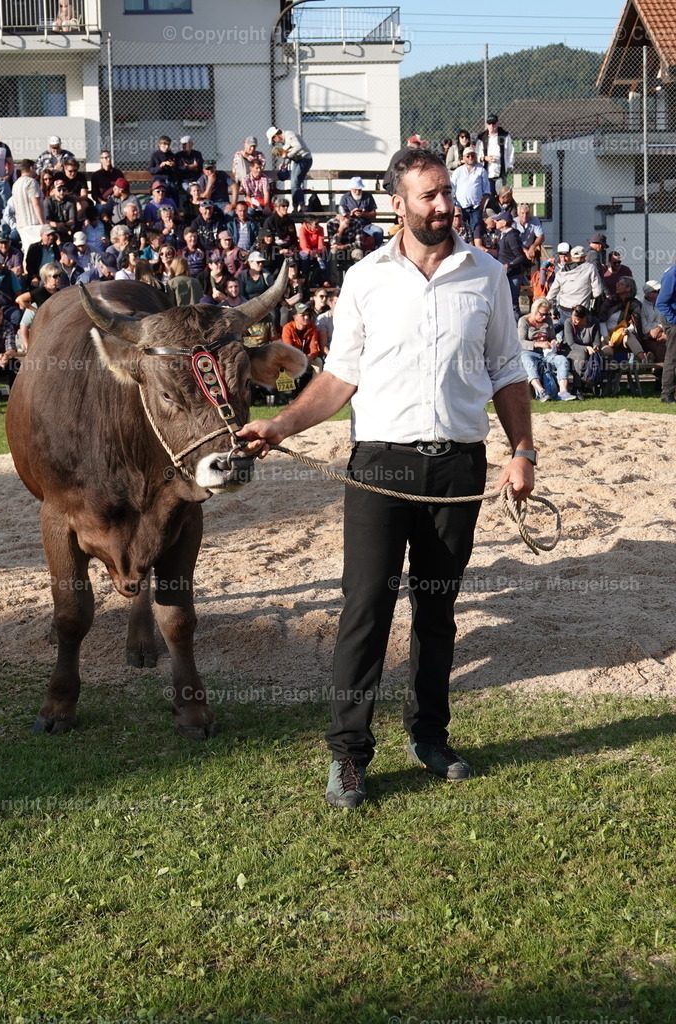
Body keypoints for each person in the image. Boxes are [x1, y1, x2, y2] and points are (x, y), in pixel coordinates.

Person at [237, 148, 533, 808]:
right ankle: (348, 755)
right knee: (366, 606)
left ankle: (429, 736)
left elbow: (509, 371)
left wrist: (523, 451)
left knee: (437, 610)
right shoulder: (365, 278)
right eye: (428, 195)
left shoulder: (486, 274)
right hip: (380, 464)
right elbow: (340, 380)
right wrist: (278, 428)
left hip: (458, 464)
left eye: (446, 193)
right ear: (396, 204)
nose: (442, 205)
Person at [518, 298, 576, 402]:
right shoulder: (524, 321)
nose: (544, 317)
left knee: (562, 360)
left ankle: (563, 391)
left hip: (546, 352)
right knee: (529, 363)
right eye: (542, 314)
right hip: (529, 352)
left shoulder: (548, 320)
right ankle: (541, 392)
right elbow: (521, 342)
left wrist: (554, 342)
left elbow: (551, 337)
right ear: (535, 311)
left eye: (546, 314)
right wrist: (538, 344)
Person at [546, 245, 604, 334]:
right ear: (585, 257)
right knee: (585, 328)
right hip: (581, 308)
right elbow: (598, 292)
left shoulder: (561, 271)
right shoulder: (590, 267)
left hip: (564, 308)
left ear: (572, 257)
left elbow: (552, 293)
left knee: (563, 325)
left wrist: (550, 306)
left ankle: (546, 334)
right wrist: (589, 294)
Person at [266, 126, 312, 212]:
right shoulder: (284, 142)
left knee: (295, 183)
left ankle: (302, 206)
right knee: (294, 184)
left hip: (304, 159)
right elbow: (288, 154)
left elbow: (298, 146)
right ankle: (295, 207)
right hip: (297, 161)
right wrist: (284, 164)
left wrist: (288, 155)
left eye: (273, 140)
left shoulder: (289, 135)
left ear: (276, 136)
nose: (275, 141)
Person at [495, 211, 529, 319]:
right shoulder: (502, 235)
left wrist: (508, 265)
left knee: (513, 304)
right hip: (504, 274)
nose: (495, 222)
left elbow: (520, 256)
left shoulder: (512, 237)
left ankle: (517, 330)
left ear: (504, 223)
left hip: (512, 275)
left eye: (498, 220)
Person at [450, 147, 490, 234]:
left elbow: (486, 191)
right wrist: (455, 206)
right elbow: (452, 190)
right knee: (461, 232)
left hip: (476, 208)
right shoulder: (458, 171)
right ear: (463, 157)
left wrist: (481, 206)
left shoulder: (481, 171)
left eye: (472, 155)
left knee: (475, 233)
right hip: (461, 208)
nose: (470, 157)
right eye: (468, 156)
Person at [475, 114, 514, 200]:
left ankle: (501, 213)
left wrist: (508, 166)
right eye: (489, 124)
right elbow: (477, 154)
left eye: (494, 123)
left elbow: (510, 152)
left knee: (502, 196)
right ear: (487, 125)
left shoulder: (504, 136)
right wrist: (485, 158)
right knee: (488, 197)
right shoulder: (481, 138)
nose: (492, 126)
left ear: (498, 124)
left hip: (500, 173)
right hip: (486, 174)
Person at [337, 176, 383, 248]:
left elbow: (374, 214)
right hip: (351, 226)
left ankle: (376, 251)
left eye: (359, 189)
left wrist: (364, 214)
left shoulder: (368, 196)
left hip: (366, 225)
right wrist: (351, 214)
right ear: (351, 189)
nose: (357, 192)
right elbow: (342, 217)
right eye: (355, 190)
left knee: (379, 231)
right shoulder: (345, 198)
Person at [11, 159, 45, 254]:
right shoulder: (31, 182)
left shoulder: (16, 184)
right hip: (34, 223)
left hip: (21, 224)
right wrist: (42, 223)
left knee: (27, 252)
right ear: (31, 168)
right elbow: (36, 203)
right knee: (38, 253)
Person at [564, 304, 602, 384]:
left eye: (576, 319)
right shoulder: (568, 323)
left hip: (589, 349)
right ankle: (578, 386)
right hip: (570, 350)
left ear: (584, 318)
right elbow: (571, 344)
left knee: (603, 355)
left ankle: (596, 382)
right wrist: (586, 348)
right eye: (572, 318)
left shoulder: (594, 322)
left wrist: (596, 346)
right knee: (582, 355)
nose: (573, 321)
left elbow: (596, 340)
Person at [656, 262, 676, 403]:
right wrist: (674, 320)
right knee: (672, 357)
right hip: (672, 320)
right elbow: (661, 302)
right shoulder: (672, 274)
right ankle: (667, 394)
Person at [641, 279, 668, 362]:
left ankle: (661, 369)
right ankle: (661, 369)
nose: (660, 293)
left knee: (666, 340)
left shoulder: (659, 304)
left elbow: (664, 321)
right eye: (658, 291)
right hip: (646, 339)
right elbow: (645, 329)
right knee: (663, 343)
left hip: (659, 333)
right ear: (649, 293)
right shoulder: (641, 306)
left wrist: (659, 329)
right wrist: (658, 329)